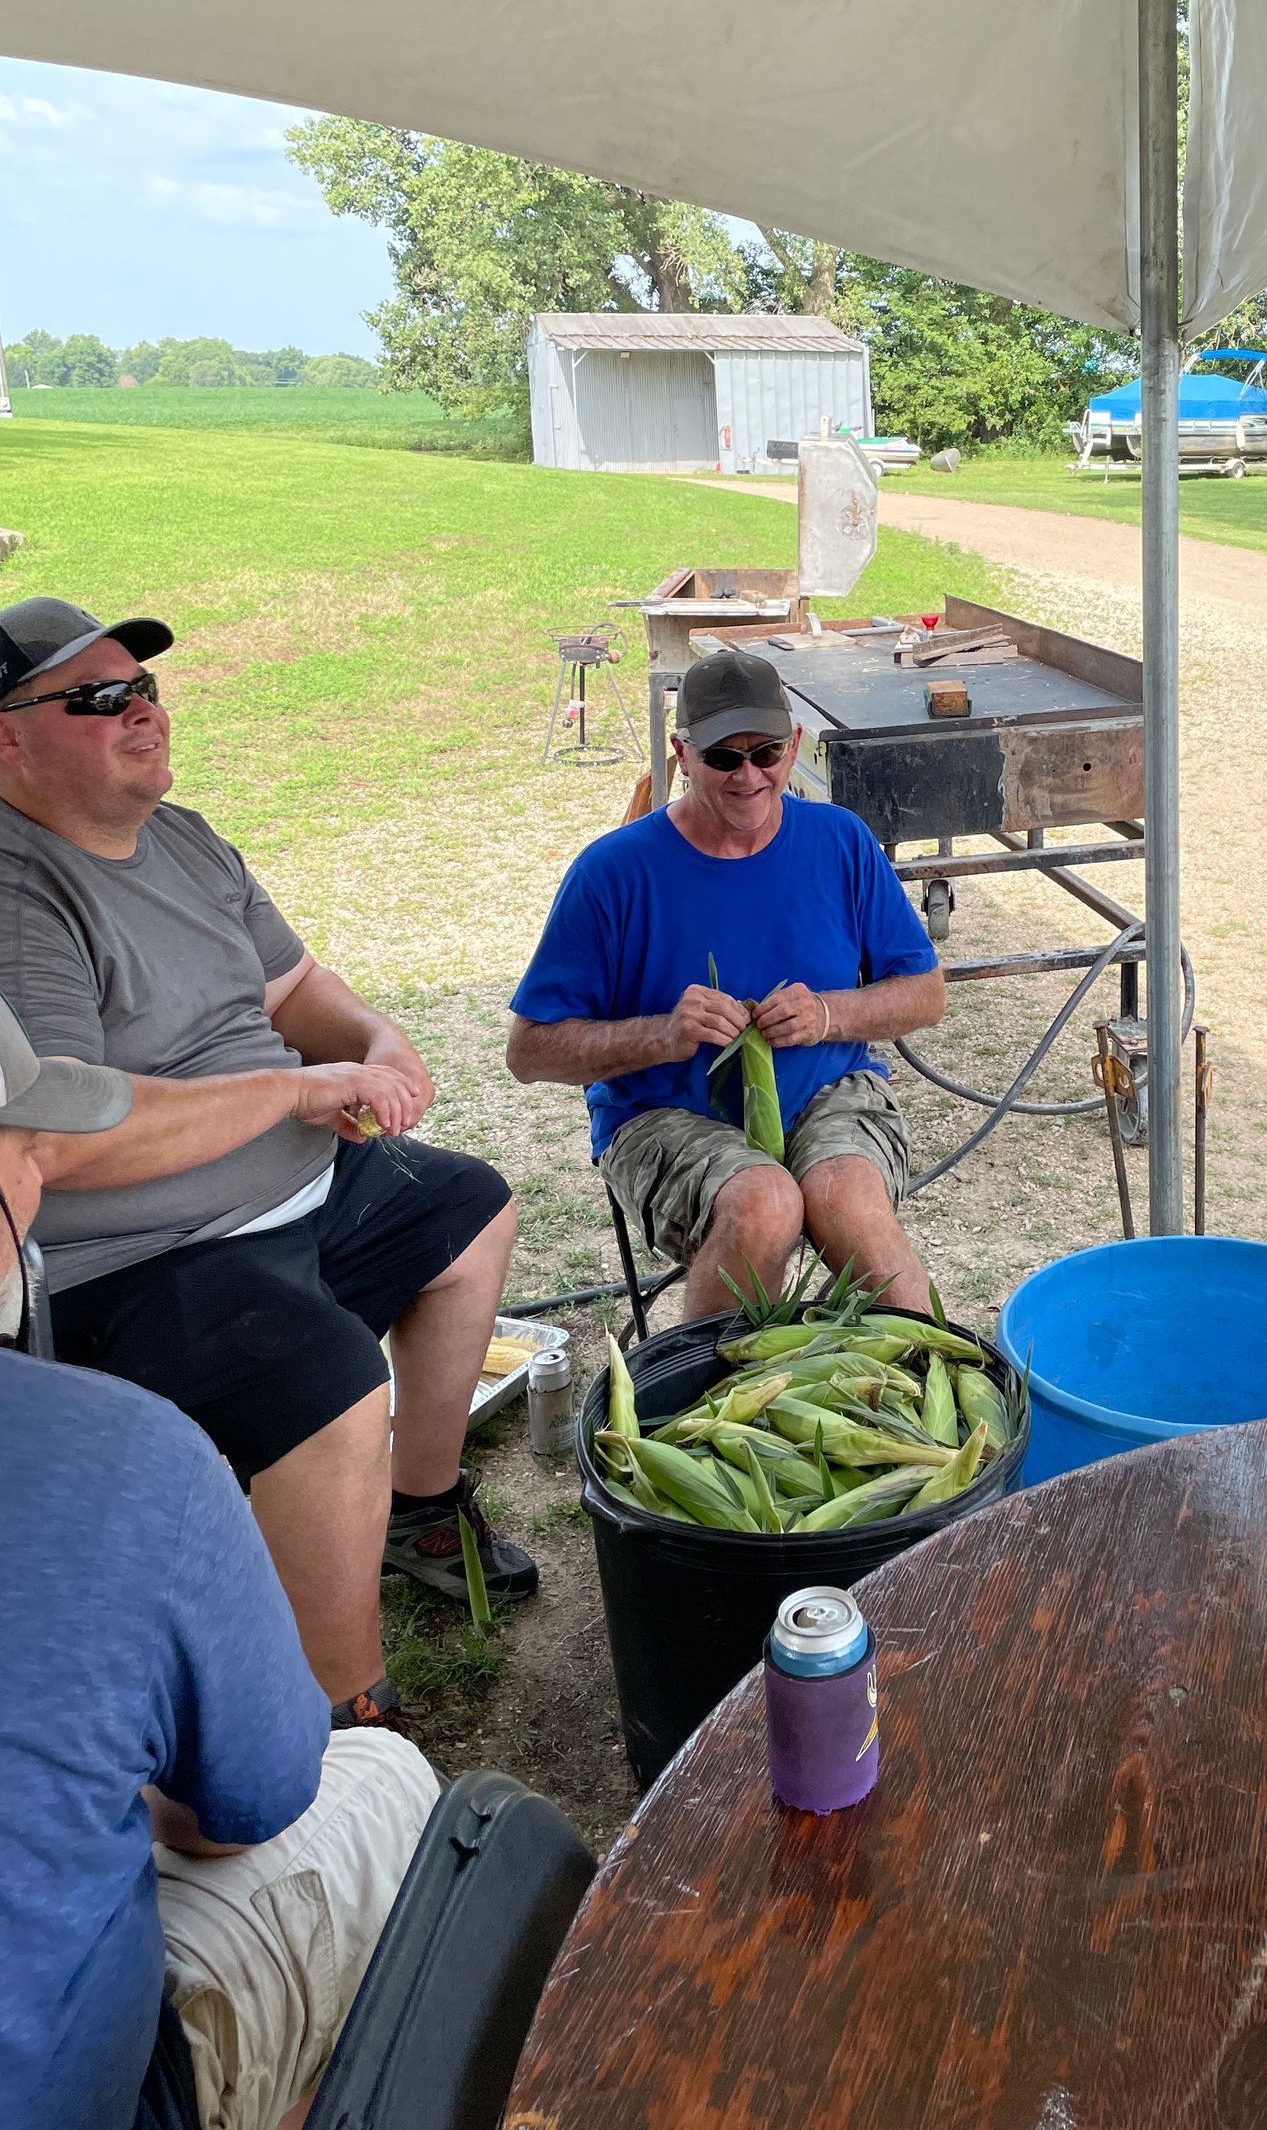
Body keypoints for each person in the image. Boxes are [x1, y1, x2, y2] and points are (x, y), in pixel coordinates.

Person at [0, 597, 536, 1730]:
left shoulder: (184, 837)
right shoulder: (18, 893)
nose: (142, 710)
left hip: (298, 1186)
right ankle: (344, 1715)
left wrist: (377, 1043)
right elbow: (59, 1135)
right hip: (143, 1257)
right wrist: (296, 1089)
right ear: (9, 736)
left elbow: (295, 989)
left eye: (142, 686)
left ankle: (418, 1511)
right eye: (100, 697)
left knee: (470, 1208)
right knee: (328, 1379)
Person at [0, 1003, 440, 2130]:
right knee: (384, 1782)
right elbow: (240, 1808)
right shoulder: (117, 1457)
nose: (37, 1182)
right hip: (96, 2097)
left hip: (298, 1204)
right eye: (26, 1151)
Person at [508, 646, 945, 1319]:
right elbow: (530, 1052)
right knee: (764, 1204)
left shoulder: (839, 841)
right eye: (722, 758)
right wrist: (663, 1034)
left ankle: (923, 1383)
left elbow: (924, 992)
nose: (749, 776)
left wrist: (828, 1015)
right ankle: (708, 1401)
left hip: (831, 1093)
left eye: (766, 753)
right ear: (683, 753)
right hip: (661, 1116)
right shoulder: (614, 872)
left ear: (794, 745)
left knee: (846, 1199)